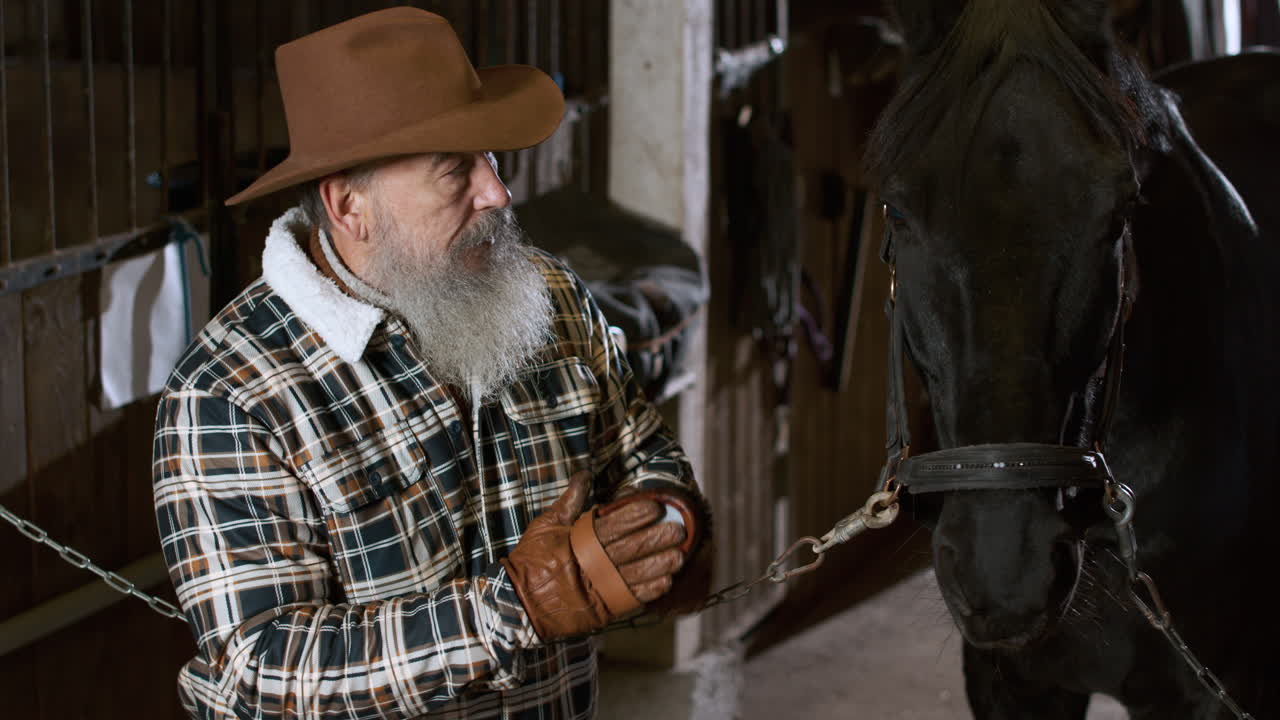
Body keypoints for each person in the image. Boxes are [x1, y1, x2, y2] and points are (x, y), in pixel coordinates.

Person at [152, 8, 710, 719]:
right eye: (455, 171)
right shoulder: (229, 394)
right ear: (349, 205)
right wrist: (516, 609)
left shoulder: (548, 295)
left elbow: (642, 450)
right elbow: (264, 668)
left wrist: (664, 521)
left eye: (491, 159)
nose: (497, 192)